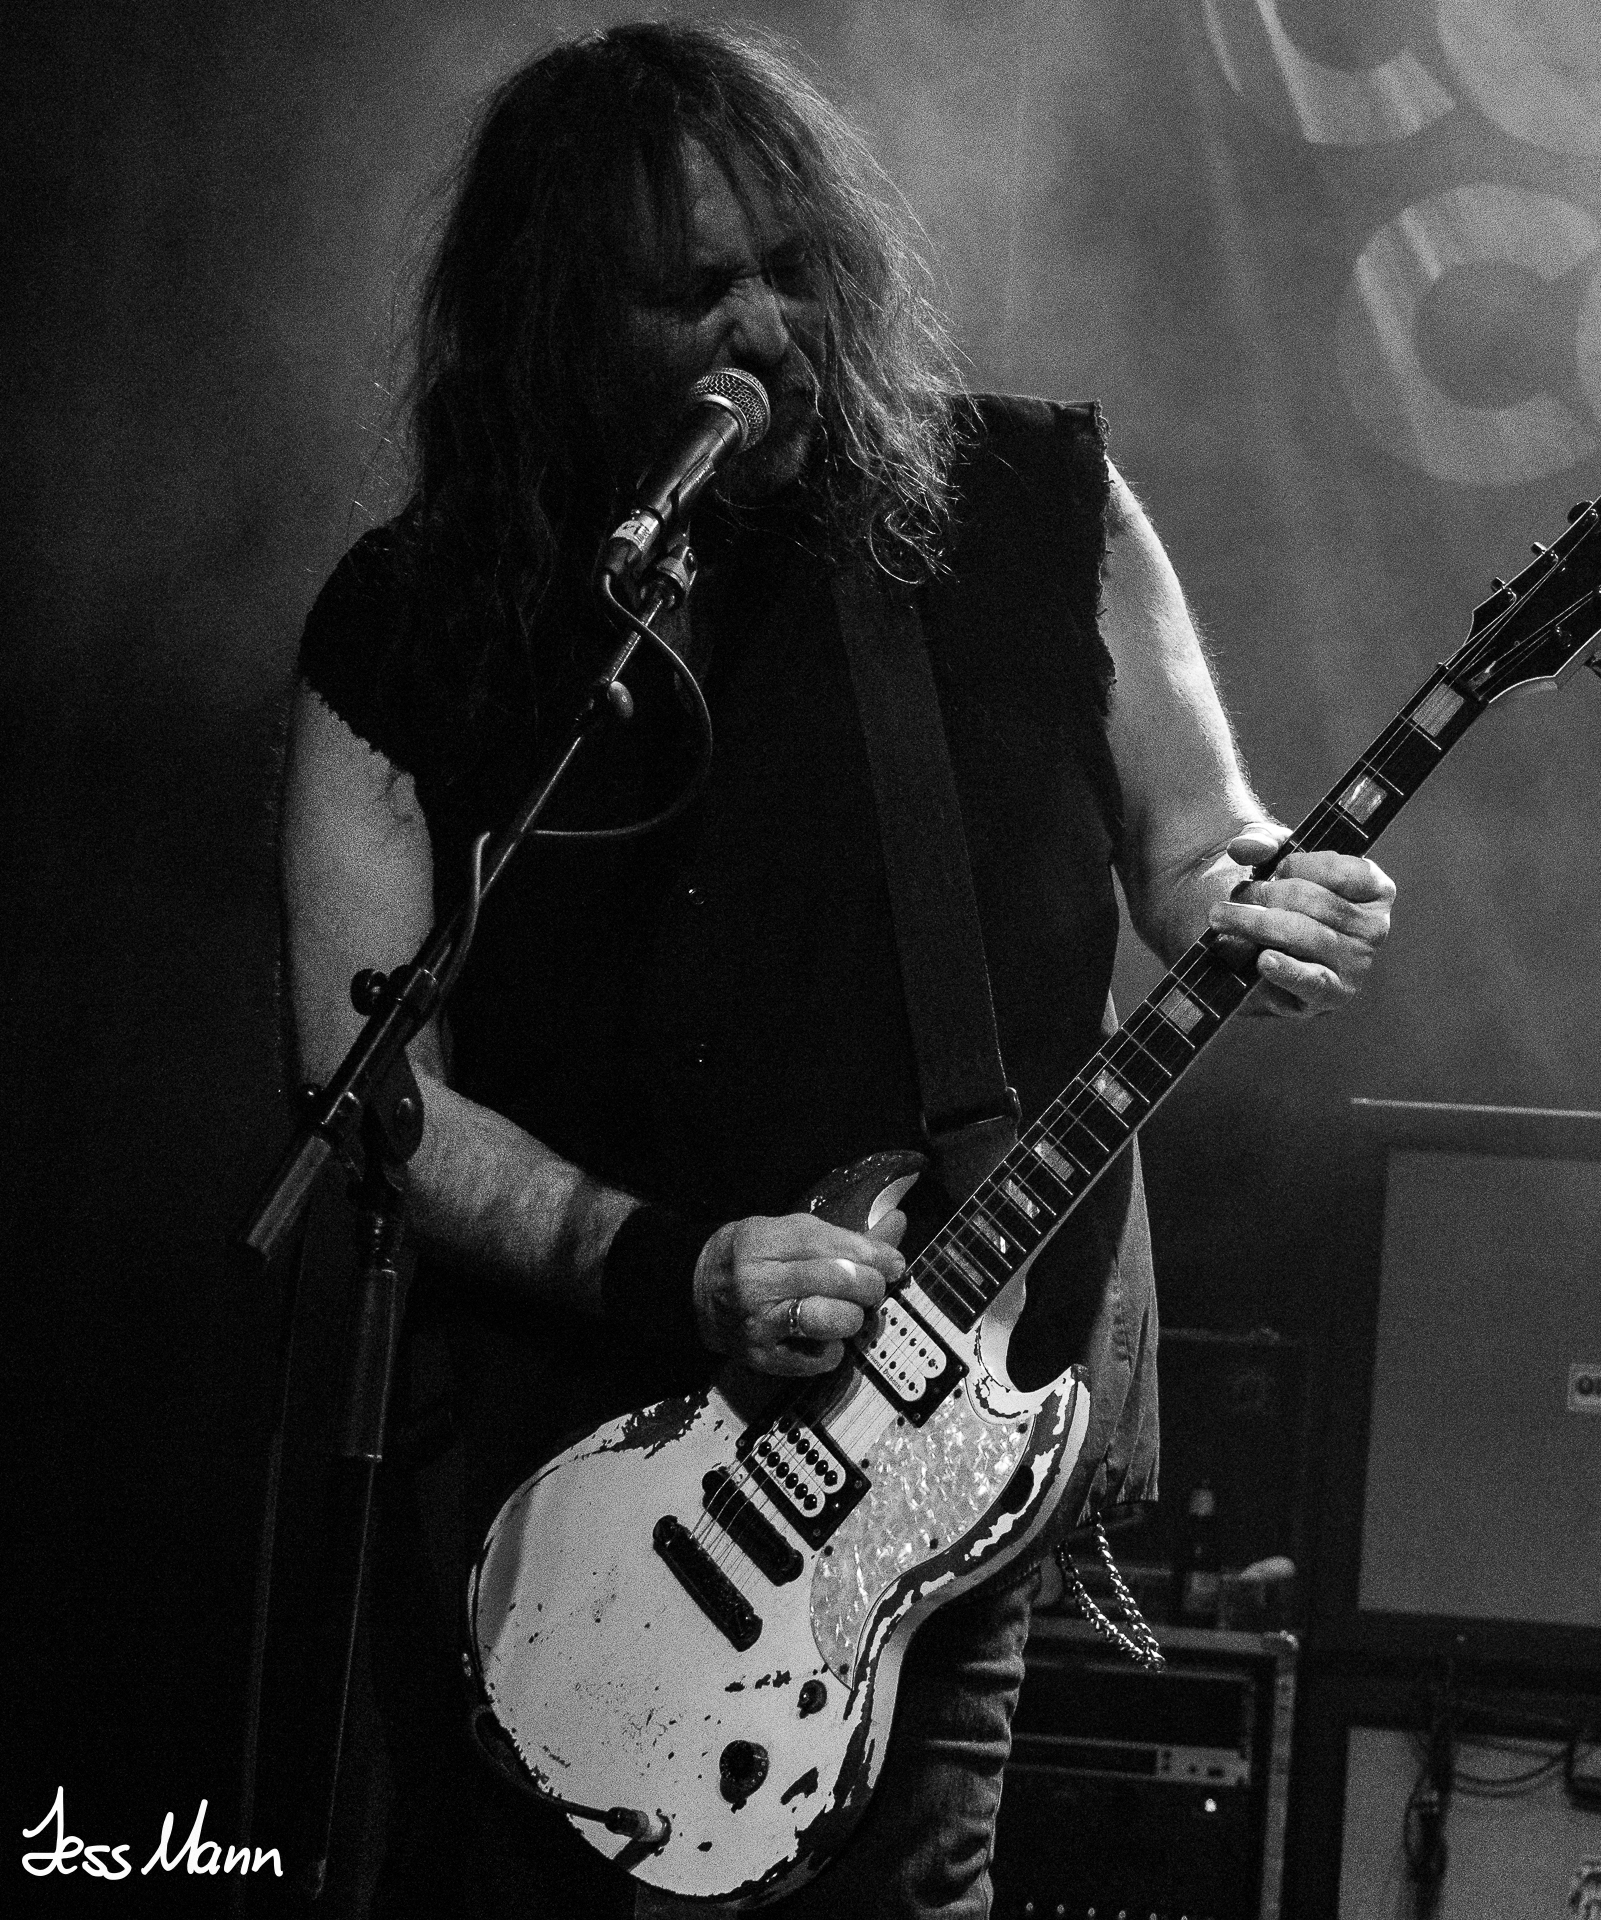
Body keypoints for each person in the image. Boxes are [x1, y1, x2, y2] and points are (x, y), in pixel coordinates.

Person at [280, 21, 1393, 1916]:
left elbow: (1196, 849)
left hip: (907, 1466)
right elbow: (361, 1082)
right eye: (692, 291)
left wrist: (1266, 898)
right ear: (556, 320)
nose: (769, 327)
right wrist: (665, 1260)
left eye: (796, 269)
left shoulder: (1025, 503)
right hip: (551, 1461)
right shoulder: (420, 617)